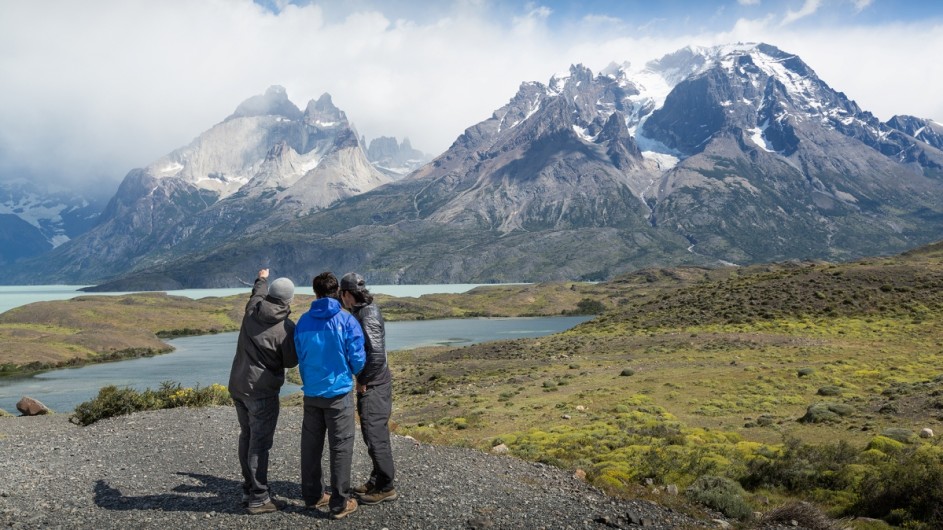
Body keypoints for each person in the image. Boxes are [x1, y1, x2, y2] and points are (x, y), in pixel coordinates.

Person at [295, 271, 366, 520]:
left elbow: (299, 356)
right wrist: (352, 373)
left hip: (312, 393)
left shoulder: (303, 321)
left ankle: (313, 496)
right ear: (336, 291)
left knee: (311, 448)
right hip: (338, 395)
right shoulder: (346, 321)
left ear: (314, 293)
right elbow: (357, 359)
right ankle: (339, 504)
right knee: (341, 448)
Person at [228, 269, 298, 515]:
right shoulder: (286, 329)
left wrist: (262, 278)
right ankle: (259, 498)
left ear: (270, 295)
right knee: (259, 444)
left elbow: (257, 292)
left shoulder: (252, 309)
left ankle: (248, 489)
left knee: (246, 435)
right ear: (289, 300)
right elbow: (290, 362)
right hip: (262, 391)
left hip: (238, 385)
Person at [339, 272, 397, 504]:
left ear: (346, 294)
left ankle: (386, 486)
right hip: (376, 383)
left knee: (375, 435)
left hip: (374, 385)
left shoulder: (367, 315)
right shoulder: (362, 310)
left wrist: (363, 380)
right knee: (372, 433)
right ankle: (376, 479)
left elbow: (374, 354)